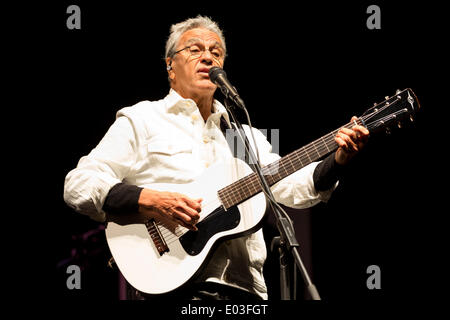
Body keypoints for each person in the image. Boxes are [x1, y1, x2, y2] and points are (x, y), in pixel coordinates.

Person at [63, 15, 369, 300]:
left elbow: (291, 186)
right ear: (170, 65)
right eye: (195, 49)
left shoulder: (244, 133)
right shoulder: (142, 118)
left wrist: (338, 159)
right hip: (173, 286)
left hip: (245, 291)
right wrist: (150, 200)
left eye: (216, 52)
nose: (208, 57)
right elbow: (78, 184)